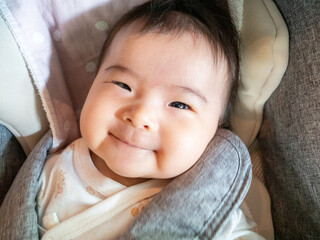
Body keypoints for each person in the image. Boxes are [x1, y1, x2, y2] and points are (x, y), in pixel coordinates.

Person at [36, 0, 264, 239]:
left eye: (179, 104)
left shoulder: (211, 202)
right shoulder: (54, 170)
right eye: (123, 85)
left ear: (215, 128)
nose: (139, 117)